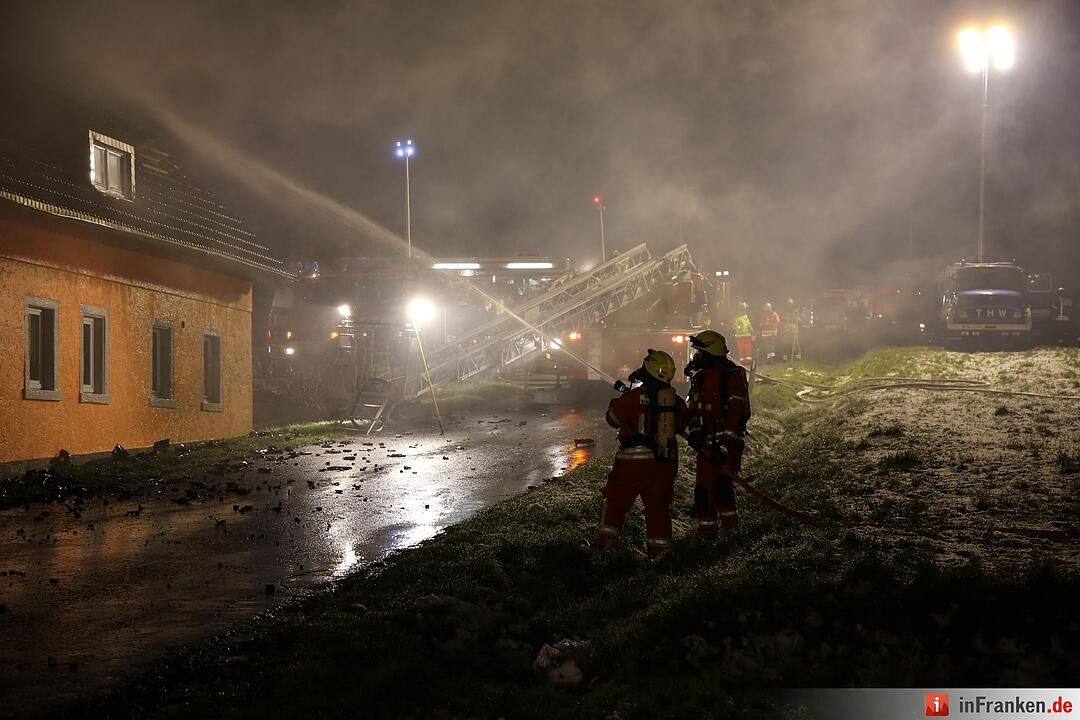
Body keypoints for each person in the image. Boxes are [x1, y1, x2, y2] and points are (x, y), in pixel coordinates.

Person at [594, 349, 688, 557]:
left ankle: (604, 548)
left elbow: (613, 419)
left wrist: (622, 399)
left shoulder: (634, 397)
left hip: (632, 463)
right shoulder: (676, 400)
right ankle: (660, 554)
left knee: (615, 503)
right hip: (665, 464)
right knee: (659, 509)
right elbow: (683, 424)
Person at [684, 330, 751, 537]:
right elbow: (692, 409)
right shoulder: (700, 377)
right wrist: (694, 431)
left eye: (699, 352)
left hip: (726, 448)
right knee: (703, 492)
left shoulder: (731, 376)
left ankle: (730, 534)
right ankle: (707, 537)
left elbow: (739, 413)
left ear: (710, 353)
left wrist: (724, 445)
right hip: (706, 448)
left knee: (723, 489)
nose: (696, 357)